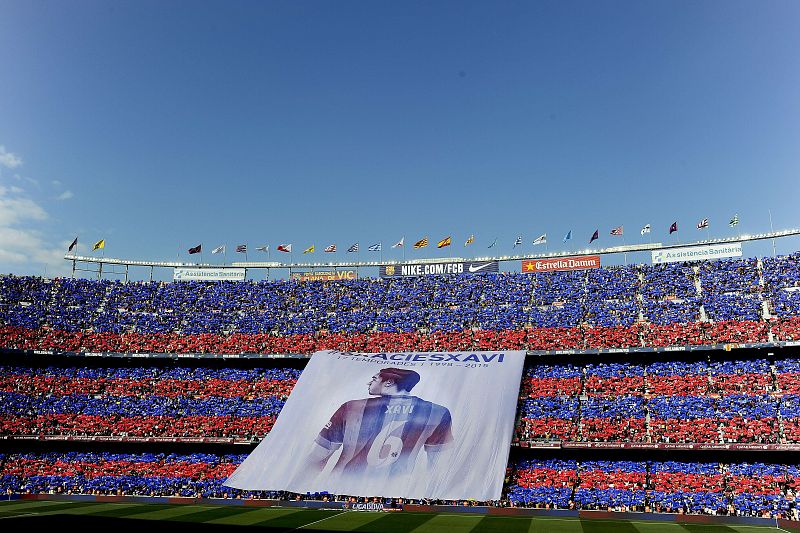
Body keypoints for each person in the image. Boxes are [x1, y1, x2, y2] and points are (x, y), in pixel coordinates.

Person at [305, 368, 453, 479]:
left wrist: (297, 488)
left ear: (388, 382)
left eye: (374, 379)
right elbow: (439, 468)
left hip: (342, 486)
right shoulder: (437, 412)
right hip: (396, 490)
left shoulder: (351, 408)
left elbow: (318, 456)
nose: (369, 382)